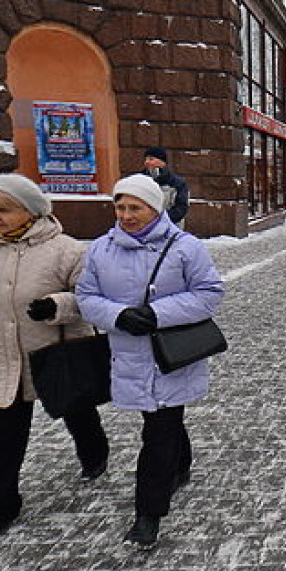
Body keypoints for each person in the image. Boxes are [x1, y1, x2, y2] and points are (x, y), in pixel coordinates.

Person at [0, 174, 109, 543]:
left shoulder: (67, 250)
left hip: (55, 354)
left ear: (32, 211)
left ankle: (94, 450)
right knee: (0, 438)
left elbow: (91, 299)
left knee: (77, 411)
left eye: (4, 210)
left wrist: (58, 306)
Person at [77, 174, 223, 551]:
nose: (125, 215)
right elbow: (86, 296)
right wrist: (118, 315)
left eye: (134, 207)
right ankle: (181, 464)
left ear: (155, 208)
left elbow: (209, 295)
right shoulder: (99, 249)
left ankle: (148, 514)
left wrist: (157, 313)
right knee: (160, 419)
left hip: (171, 354)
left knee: (159, 428)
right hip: (126, 353)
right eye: (120, 207)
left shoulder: (185, 247)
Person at [142, 147, 190, 225]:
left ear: (162, 162)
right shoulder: (140, 180)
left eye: (151, 159)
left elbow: (181, 208)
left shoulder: (178, 183)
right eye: (145, 159)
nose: (146, 162)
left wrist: (160, 220)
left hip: (171, 228)